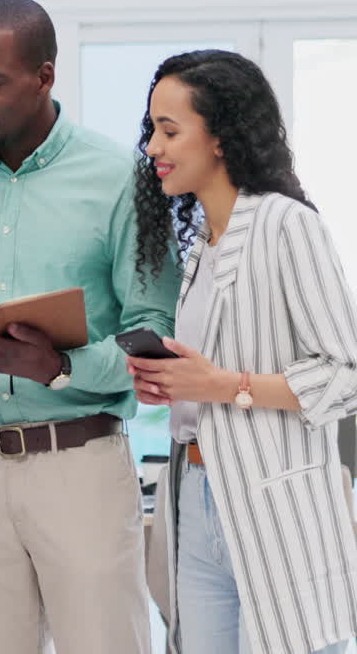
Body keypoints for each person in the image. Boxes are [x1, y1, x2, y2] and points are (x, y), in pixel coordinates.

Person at [0, 0, 179, 654]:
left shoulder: (123, 179)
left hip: (81, 468)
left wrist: (58, 366)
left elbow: (153, 334)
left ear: (44, 76)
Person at [127, 49, 357, 654]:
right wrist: (168, 384)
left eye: (169, 130)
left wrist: (226, 386)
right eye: (152, 130)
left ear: (221, 138)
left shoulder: (288, 226)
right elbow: (207, 378)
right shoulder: (201, 246)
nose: (153, 147)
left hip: (275, 503)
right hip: (194, 492)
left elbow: (347, 375)